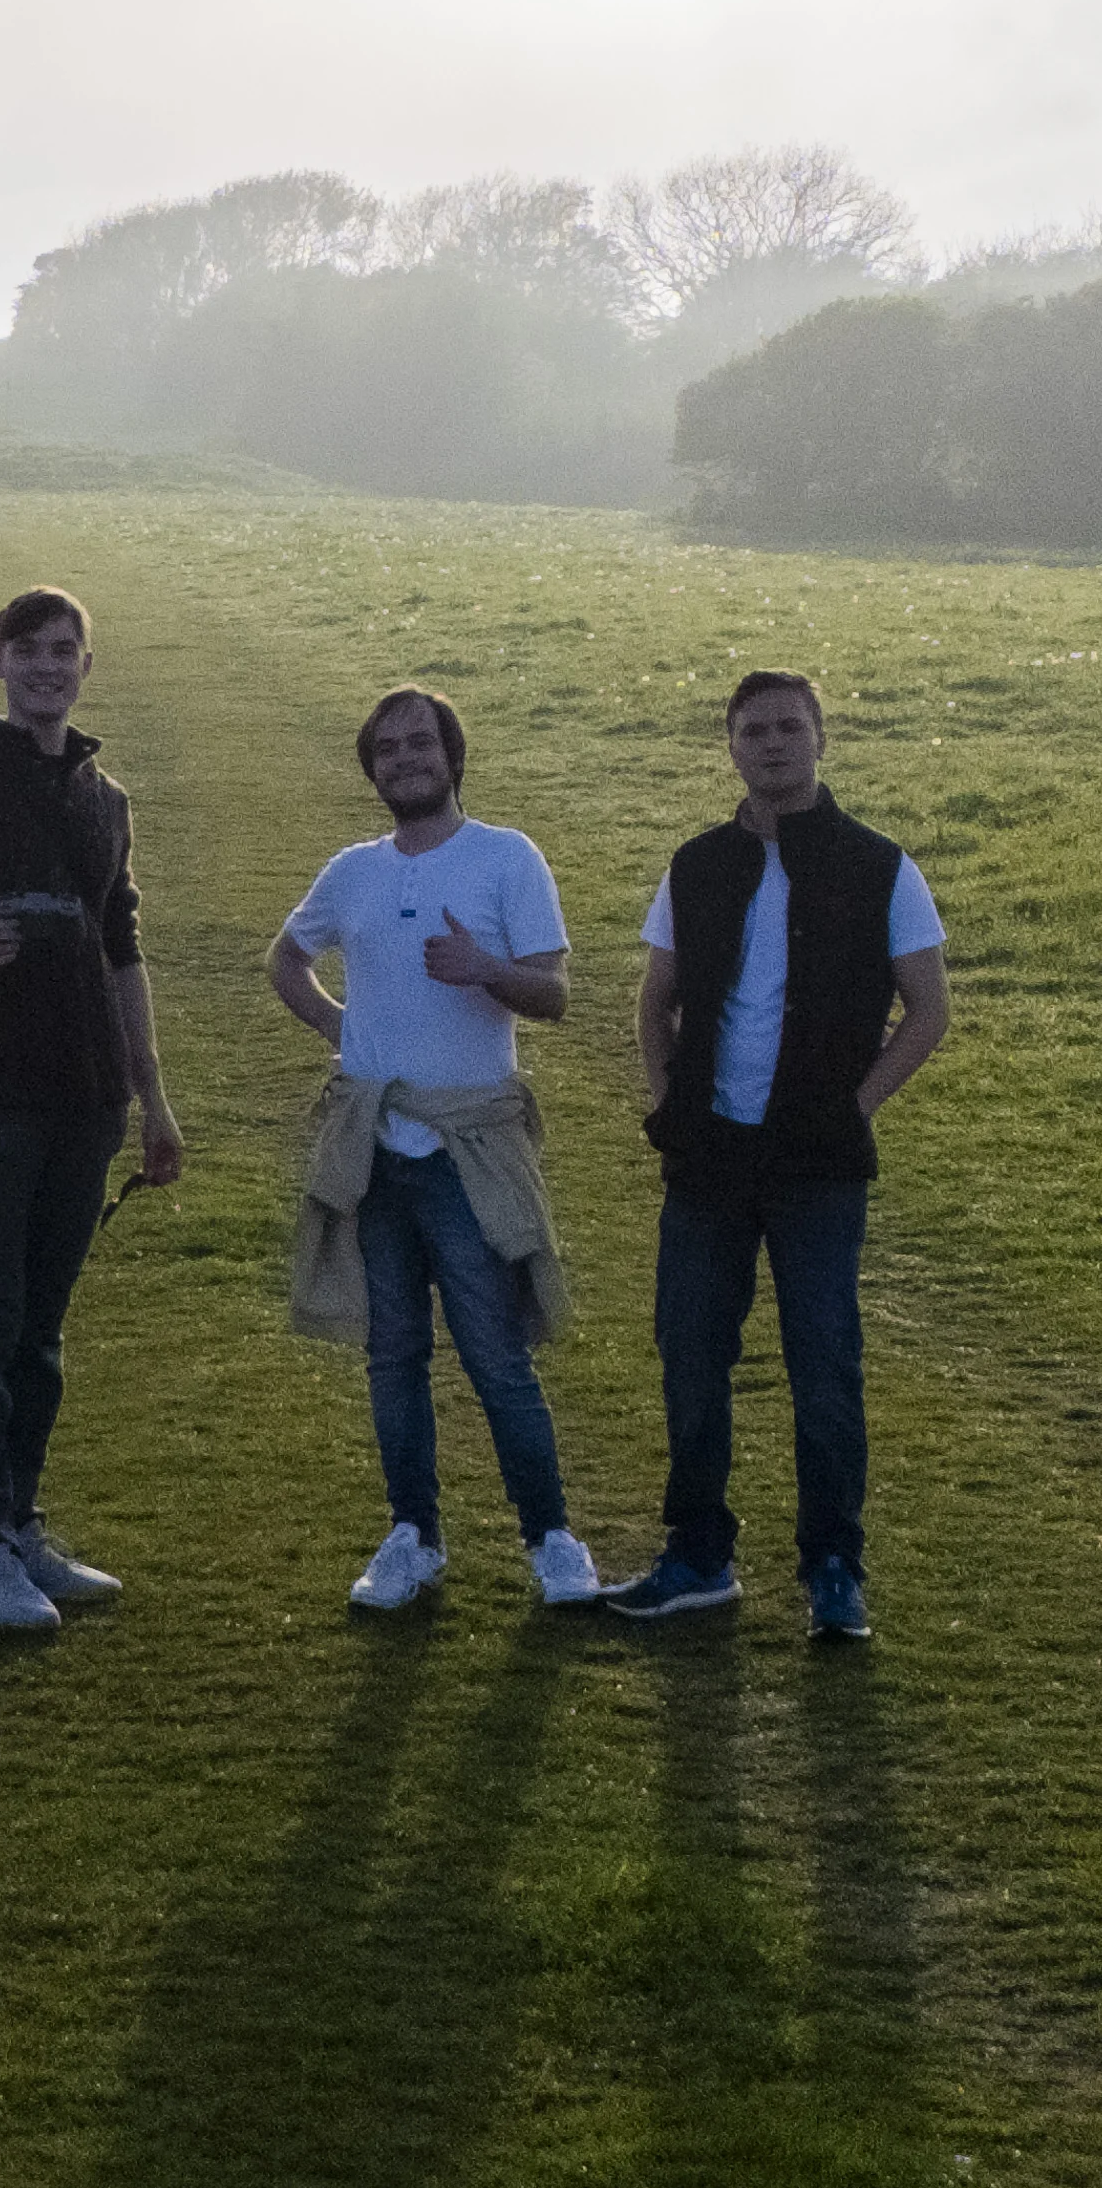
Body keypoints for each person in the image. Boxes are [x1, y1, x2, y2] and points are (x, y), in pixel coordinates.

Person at [604, 669, 949, 1638]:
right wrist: (670, 1103)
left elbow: (929, 1012)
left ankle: (834, 1569)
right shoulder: (697, 865)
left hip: (818, 1168)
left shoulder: (881, 866)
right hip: (707, 1161)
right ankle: (697, 1556)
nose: (772, 744)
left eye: (790, 727)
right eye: (753, 730)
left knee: (825, 1364)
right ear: (730, 746)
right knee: (690, 1355)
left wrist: (852, 1110)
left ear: (821, 739)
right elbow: (655, 1001)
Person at [0, 586, 186, 1634]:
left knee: (41, 1331)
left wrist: (152, 1098)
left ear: (86, 666)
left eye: (65, 650)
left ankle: (19, 1527)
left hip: (87, 1101)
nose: (48, 667)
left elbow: (122, 952)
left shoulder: (106, 800)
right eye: (29, 650)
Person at [271, 686, 604, 1611]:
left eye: (421, 743)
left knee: (497, 1357)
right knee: (393, 1357)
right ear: (371, 769)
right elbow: (285, 958)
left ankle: (552, 1540)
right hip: (374, 1151)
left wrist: (485, 970)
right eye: (387, 749)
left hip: (470, 1151)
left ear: (453, 756)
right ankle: (413, 1536)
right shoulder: (352, 871)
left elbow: (553, 995)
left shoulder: (507, 857)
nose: (405, 759)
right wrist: (344, 1031)